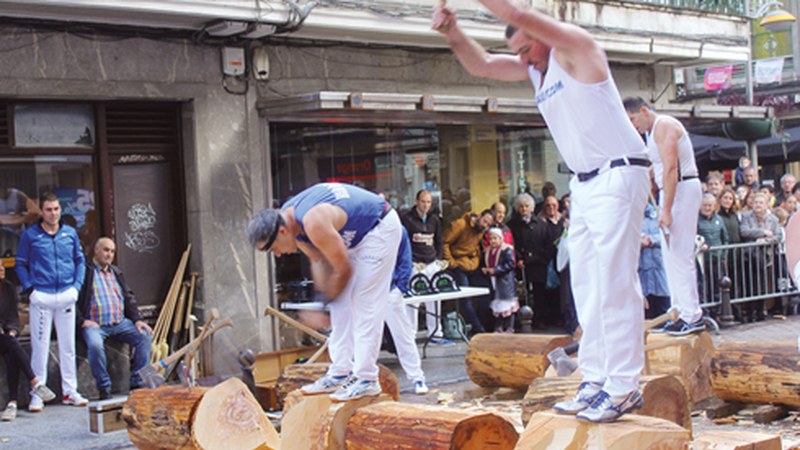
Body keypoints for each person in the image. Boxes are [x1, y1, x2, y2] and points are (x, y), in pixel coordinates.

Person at [433, 1, 651, 422]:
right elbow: (481, 65)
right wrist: (452, 33)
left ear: (543, 33)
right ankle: (596, 379)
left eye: (528, 48)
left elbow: (526, 17)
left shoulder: (578, 49)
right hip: (585, 182)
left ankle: (624, 386)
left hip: (619, 172)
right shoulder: (537, 68)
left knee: (615, 283)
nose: (524, 59)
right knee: (586, 286)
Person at [247, 182, 401, 401]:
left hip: (379, 227)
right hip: (358, 235)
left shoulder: (312, 221)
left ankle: (367, 378)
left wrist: (323, 309)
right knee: (340, 302)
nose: (278, 255)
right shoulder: (292, 222)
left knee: (363, 301)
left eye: (273, 249)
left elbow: (343, 269)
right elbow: (319, 261)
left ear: (281, 231)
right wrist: (323, 303)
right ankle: (340, 372)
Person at [624, 97, 704, 336]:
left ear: (644, 111)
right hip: (672, 191)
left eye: (633, 119)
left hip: (681, 189)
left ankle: (692, 314)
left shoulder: (665, 125)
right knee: (670, 256)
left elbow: (671, 168)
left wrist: (666, 209)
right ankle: (679, 310)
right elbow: (661, 168)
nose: (633, 126)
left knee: (680, 254)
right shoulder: (652, 132)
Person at [15, 192, 88, 411]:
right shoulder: (30, 235)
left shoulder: (70, 233)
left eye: (56, 209)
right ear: (41, 211)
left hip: (66, 293)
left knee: (68, 346)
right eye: (49, 209)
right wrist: (30, 290)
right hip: (42, 296)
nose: (53, 213)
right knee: (40, 347)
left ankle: (70, 391)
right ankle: (37, 394)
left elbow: (80, 261)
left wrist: (76, 287)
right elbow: (20, 264)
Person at [77, 237, 153, 400]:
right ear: (96, 250)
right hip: (95, 324)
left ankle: (137, 382)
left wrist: (137, 319)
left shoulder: (116, 272)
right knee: (95, 345)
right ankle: (104, 387)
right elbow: (73, 298)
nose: (109, 254)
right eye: (105, 250)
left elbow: (128, 297)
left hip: (119, 323)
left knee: (145, 336)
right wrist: (81, 320)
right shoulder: (85, 271)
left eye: (112, 251)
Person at [0, 264, 56, 421]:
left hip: (4, 336)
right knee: (12, 345)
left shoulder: (8, 287)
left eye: (2, 266)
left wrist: (12, 330)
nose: (2, 269)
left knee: (12, 349)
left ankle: (12, 404)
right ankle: (35, 382)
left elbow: (12, 315)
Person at [400, 190, 449, 345]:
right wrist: (409, 262)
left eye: (428, 202)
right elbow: (403, 242)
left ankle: (436, 333)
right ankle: (411, 334)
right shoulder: (407, 219)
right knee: (413, 300)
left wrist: (439, 259)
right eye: (423, 201)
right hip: (415, 264)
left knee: (435, 300)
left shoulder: (434, 219)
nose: (426, 205)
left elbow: (439, 241)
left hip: (431, 262)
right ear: (416, 201)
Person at [384, 228, 428, 395]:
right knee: (362, 334)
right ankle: (360, 377)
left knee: (403, 334)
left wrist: (399, 288)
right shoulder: (362, 227)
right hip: (369, 290)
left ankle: (417, 377)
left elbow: (405, 259)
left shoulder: (396, 229)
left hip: (389, 289)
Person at [507, 193, 559, 330]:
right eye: (521, 207)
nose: (524, 209)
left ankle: (539, 319)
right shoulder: (512, 225)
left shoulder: (541, 225)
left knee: (539, 294)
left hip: (538, 265)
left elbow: (548, 245)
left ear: (531, 207)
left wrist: (542, 258)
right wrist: (518, 258)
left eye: (526, 206)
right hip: (521, 265)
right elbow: (512, 244)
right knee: (522, 293)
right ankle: (521, 319)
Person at [442, 209, 495, 334]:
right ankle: (478, 328)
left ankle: (482, 324)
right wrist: (452, 263)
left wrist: (474, 263)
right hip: (457, 265)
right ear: (479, 216)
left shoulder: (480, 231)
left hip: (470, 265)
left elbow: (476, 250)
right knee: (466, 299)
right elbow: (445, 242)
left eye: (488, 225)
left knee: (486, 292)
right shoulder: (461, 225)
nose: (485, 225)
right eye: (484, 221)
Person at [481, 228, 518, 333]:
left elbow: (510, 264)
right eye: (491, 238)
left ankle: (509, 326)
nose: (493, 241)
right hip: (494, 281)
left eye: (495, 238)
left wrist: (496, 270)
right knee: (497, 304)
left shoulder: (506, 249)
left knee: (507, 304)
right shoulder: (487, 251)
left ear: (500, 239)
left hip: (505, 281)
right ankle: (498, 326)